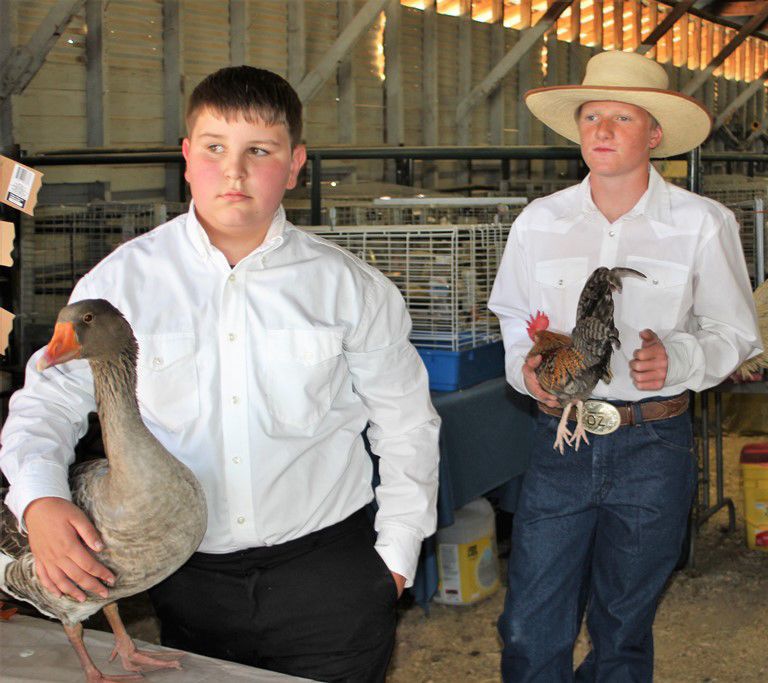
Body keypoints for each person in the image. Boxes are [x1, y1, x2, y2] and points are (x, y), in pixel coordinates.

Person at [0, 65, 440, 682]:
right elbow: (45, 403)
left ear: (294, 164)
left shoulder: (350, 289)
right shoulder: (120, 284)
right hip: (184, 575)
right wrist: (39, 500)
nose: (234, 172)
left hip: (328, 576)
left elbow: (405, 426)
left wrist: (394, 556)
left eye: (259, 151)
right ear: (187, 156)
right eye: (215, 149)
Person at [488, 50, 760, 681]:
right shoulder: (539, 222)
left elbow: (735, 333)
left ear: (654, 134)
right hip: (562, 440)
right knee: (530, 624)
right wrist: (524, 370)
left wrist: (681, 356)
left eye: (621, 118)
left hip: (653, 443)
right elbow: (509, 316)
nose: (602, 131)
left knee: (624, 628)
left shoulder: (700, 224)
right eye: (591, 118)